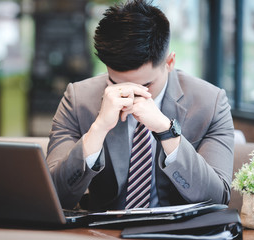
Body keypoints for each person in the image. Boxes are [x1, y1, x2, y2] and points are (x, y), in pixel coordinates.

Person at [46, 0, 234, 211]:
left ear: (169, 62)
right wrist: (98, 129)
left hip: (179, 231)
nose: (131, 94)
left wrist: (167, 132)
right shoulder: (78, 99)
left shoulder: (210, 103)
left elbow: (217, 198)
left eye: (146, 85)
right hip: (101, 231)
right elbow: (54, 197)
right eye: (117, 82)